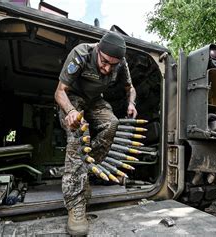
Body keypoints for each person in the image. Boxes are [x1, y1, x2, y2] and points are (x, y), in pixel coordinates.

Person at [54, 31, 137, 235]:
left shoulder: (120, 64)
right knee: (77, 137)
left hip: (94, 100)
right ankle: (76, 204)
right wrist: (71, 111)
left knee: (112, 123)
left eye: (113, 65)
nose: (107, 68)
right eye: (105, 62)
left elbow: (130, 88)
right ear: (98, 49)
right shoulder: (81, 53)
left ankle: (88, 168)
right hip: (71, 98)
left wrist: (131, 103)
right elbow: (59, 92)